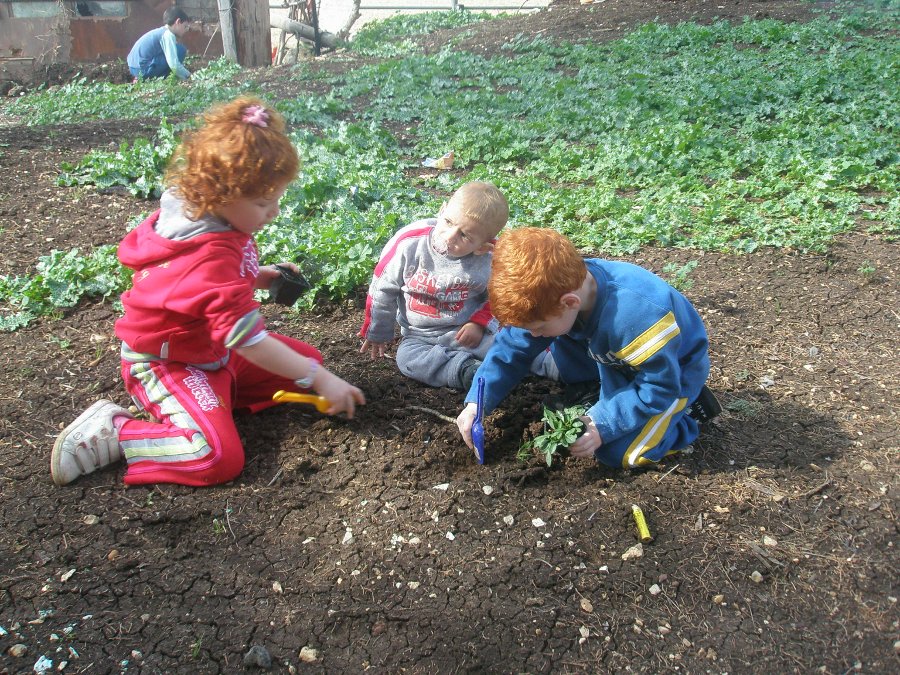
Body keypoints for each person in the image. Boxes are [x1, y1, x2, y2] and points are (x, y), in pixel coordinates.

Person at [51, 96, 365, 488]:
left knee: (304, 365)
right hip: (169, 362)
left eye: (277, 199)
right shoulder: (208, 253)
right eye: (265, 202)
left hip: (213, 351)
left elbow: (209, 290)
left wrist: (263, 276)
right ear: (222, 194)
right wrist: (322, 380)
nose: (275, 211)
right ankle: (117, 432)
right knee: (214, 456)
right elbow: (248, 340)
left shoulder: (215, 220)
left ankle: (207, 403)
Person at [456, 227, 721, 469]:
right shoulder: (555, 291)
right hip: (609, 356)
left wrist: (601, 425)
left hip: (670, 373)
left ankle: (685, 416)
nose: (533, 335)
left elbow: (658, 386)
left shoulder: (637, 317)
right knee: (565, 364)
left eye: (538, 327)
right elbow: (512, 347)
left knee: (619, 454)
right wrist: (476, 404)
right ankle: (605, 390)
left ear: (569, 303)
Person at [358, 182, 556, 390]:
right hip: (421, 336)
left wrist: (479, 323)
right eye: (448, 221)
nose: (450, 236)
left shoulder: (489, 259)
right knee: (407, 358)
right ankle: (467, 372)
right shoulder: (409, 244)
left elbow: (500, 297)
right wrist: (377, 330)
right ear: (442, 209)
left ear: (483, 245)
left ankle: (562, 364)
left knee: (508, 344)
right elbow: (382, 288)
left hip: (468, 331)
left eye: (465, 236)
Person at [127, 7, 192, 81]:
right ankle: (160, 79)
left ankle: (142, 78)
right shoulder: (168, 35)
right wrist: (189, 76)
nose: (186, 30)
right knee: (180, 50)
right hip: (142, 70)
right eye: (185, 26)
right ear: (178, 22)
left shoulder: (160, 32)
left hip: (134, 67)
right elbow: (174, 64)